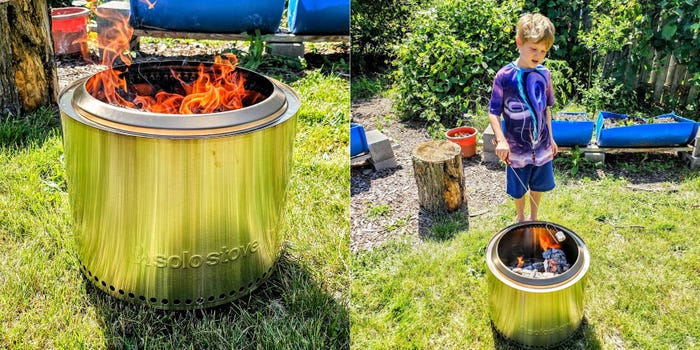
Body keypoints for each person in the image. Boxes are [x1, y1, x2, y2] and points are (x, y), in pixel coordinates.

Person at [488, 13, 558, 223]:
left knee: (539, 184)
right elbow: (493, 112)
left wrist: (551, 138)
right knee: (518, 188)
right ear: (519, 42)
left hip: (542, 145)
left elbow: (546, 109)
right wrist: (501, 140)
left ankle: (534, 217)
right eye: (533, 48)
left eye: (543, 51)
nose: (538, 55)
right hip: (516, 148)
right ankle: (520, 218)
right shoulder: (504, 76)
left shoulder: (544, 74)